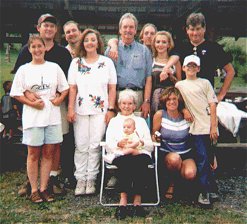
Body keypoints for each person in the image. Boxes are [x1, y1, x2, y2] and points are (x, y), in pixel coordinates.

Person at [12, 13, 72, 197]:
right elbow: (18, 87)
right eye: (45, 25)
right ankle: (32, 184)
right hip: (33, 110)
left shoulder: (61, 54)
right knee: (33, 150)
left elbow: (67, 85)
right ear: (38, 28)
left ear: (56, 30)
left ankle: (49, 181)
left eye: (52, 26)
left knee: (52, 147)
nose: (49, 29)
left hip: (54, 109)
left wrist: (61, 100)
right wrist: (30, 99)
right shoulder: (24, 54)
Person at [67, 28, 117, 196]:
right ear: (83, 43)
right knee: (81, 145)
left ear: (98, 42)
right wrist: (70, 109)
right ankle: (80, 179)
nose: (90, 42)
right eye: (87, 40)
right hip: (80, 110)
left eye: (93, 39)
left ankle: (92, 180)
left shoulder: (106, 62)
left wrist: (111, 109)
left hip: (100, 110)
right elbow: (72, 88)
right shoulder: (76, 63)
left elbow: (112, 88)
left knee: (95, 145)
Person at [162, 12, 235, 102]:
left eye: (198, 29)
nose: (195, 33)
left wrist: (220, 95)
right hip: (185, 98)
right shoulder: (181, 47)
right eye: (192, 29)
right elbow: (174, 58)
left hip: (206, 98)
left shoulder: (214, 48)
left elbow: (230, 71)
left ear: (204, 29)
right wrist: (166, 68)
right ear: (187, 30)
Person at [175, 55, 218, 206]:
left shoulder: (205, 83)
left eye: (194, 66)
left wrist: (213, 126)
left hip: (208, 126)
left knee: (209, 157)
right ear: (184, 68)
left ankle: (210, 187)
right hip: (195, 128)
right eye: (188, 66)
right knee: (202, 157)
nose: (191, 68)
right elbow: (177, 101)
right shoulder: (180, 85)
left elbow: (213, 105)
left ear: (198, 68)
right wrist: (184, 109)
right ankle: (204, 190)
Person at [106, 89, 153, 220]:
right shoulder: (114, 121)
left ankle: (137, 202)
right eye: (124, 103)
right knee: (126, 161)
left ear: (135, 105)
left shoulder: (141, 121)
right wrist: (118, 144)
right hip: (121, 153)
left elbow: (149, 145)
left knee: (140, 161)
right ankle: (123, 202)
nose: (127, 106)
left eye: (130, 103)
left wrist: (140, 144)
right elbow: (108, 144)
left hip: (139, 153)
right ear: (119, 104)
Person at [152, 86, 197, 200]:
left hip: (185, 152)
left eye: (174, 99)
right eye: (168, 99)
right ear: (164, 101)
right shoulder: (160, 114)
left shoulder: (186, 116)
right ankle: (171, 184)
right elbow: (154, 133)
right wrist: (155, 137)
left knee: (190, 174)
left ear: (179, 101)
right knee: (175, 159)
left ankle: (179, 183)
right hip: (168, 153)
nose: (171, 102)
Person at [105, 13, 153, 119]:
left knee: (137, 131)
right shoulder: (111, 50)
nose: (128, 30)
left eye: (131, 27)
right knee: (117, 131)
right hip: (116, 96)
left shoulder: (144, 51)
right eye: (125, 27)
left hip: (138, 97)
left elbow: (148, 79)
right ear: (120, 30)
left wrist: (146, 101)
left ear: (136, 30)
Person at [151, 31, 182, 116]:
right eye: (158, 42)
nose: (160, 44)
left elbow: (179, 84)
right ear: (154, 44)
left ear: (169, 44)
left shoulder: (175, 62)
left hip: (171, 101)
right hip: (155, 100)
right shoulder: (151, 60)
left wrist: (171, 76)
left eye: (164, 42)